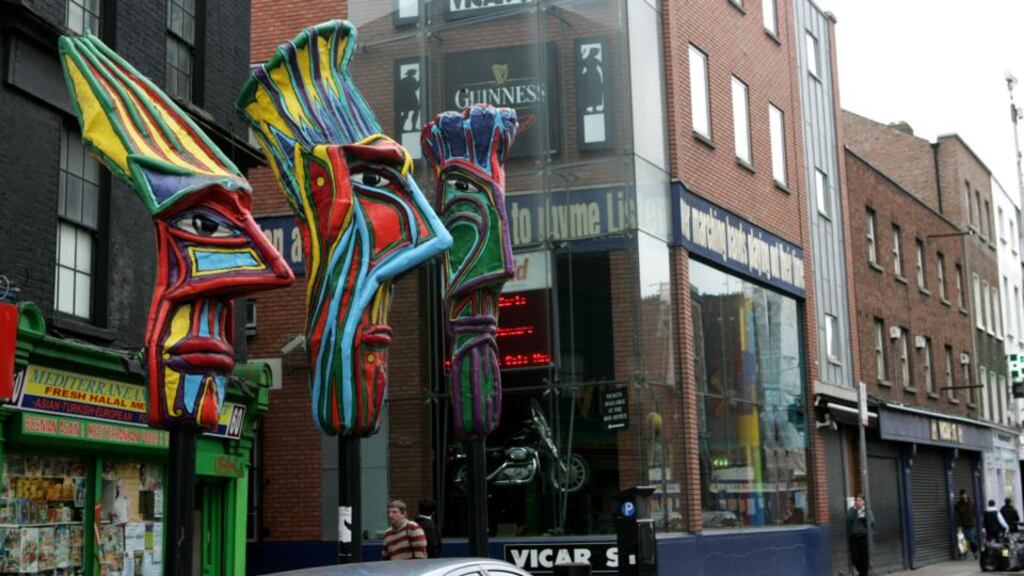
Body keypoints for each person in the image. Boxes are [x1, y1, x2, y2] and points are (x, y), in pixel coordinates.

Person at [846, 495, 874, 576]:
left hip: (863, 537)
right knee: (855, 558)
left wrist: (865, 515)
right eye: (856, 500)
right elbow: (848, 519)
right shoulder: (852, 510)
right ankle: (862, 573)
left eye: (859, 500)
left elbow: (871, 522)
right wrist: (855, 511)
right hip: (854, 537)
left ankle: (863, 574)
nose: (857, 502)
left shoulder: (867, 510)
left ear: (863, 502)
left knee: (864, 558)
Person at [955, 489, 978, 558]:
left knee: (972, 540)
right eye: (962, 494)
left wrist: (974, 521)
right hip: (962, 525)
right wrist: (958, 525)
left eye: (965, 494)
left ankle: (974, 553)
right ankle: (964, 553)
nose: (964, 496)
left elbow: (975, 513)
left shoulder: (971, 503)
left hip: (971, 525)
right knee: (962, 540)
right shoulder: (958, 504)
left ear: (967, 494)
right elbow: (957, 516)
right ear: (960, 495)